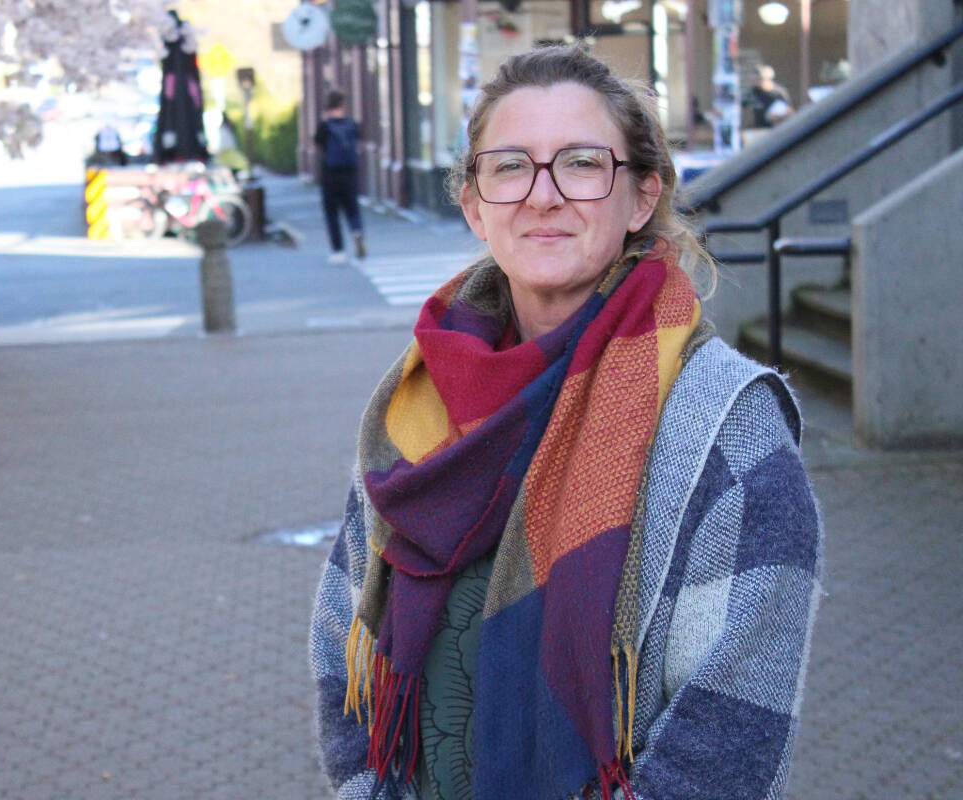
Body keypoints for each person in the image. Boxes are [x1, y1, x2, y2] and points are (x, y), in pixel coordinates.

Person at [309, 45, 822, 800]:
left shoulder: (727, 426)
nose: (542, 197)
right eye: (510, 166)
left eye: (582, 163)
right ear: (475, 205)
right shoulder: (417, 405)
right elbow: (340, 644)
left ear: (642, 197)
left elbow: (727, 740)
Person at [314, 89, 365, 264]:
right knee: (352, 208)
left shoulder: (324, 126)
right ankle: (356, 231)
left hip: (330, 175)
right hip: (349, 173)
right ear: (343, 104)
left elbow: (317, 146)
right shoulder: (352, 124)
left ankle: (338, 251)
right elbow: (358, 145)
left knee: (332, 214)